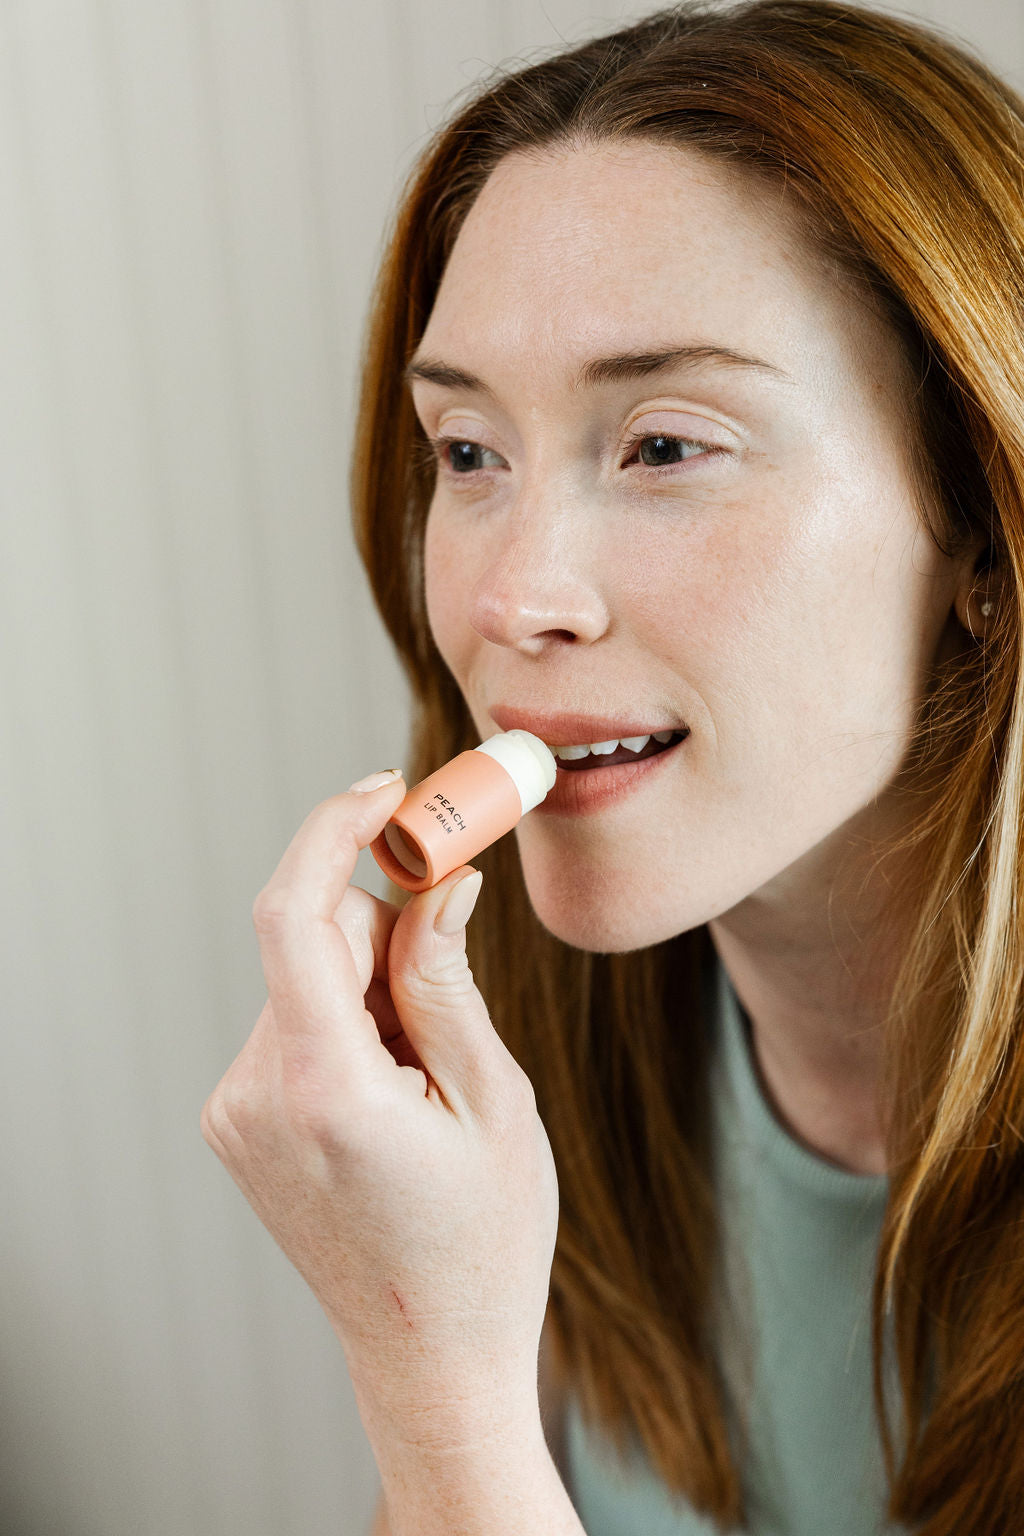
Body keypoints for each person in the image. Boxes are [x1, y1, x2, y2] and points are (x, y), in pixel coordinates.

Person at [201, 2, 1024, 1532]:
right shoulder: (523, 1065)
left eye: (662, 447)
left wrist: (435, 1400)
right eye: (467, 454)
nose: (516, 598)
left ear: (978, 524)